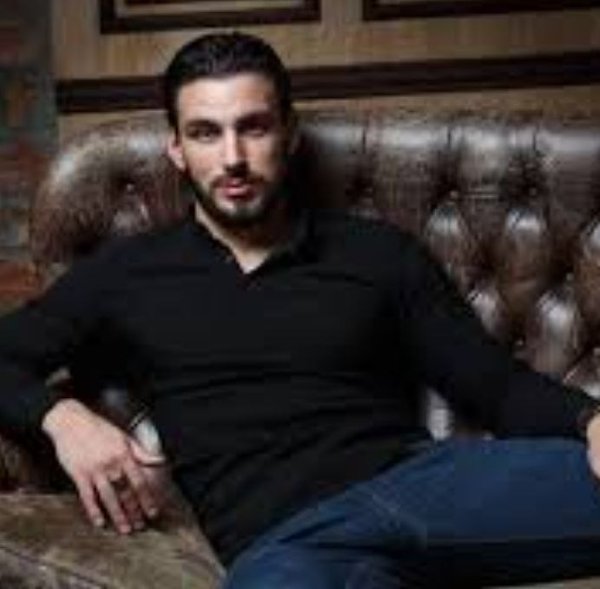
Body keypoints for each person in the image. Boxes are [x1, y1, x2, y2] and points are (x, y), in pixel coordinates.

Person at [2, 32, 600, 588]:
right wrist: (62, 418)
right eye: (206, 133)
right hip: (289, 543)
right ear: (177, 149)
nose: (233, 157)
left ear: (288, 134)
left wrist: (590, 421)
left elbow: (495, 384)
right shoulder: (128, 273)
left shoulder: (376, 253)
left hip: (424, 488)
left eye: (253, 127)